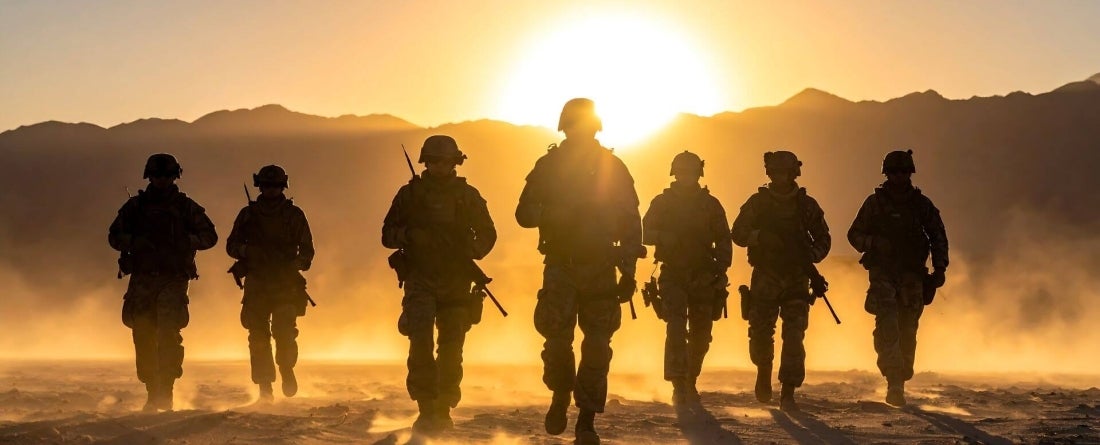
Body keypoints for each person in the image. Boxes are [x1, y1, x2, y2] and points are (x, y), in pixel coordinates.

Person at [515, 98, 645, 445]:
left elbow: (632, 223)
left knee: (598, 347)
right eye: (575, 127)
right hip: (561, 265)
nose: (581, 134)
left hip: (602, 265)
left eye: (586, 128)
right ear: (565, 128)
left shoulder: (612, 167)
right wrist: (554, 214)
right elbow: (523, 214)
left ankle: (586, 419)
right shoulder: (548, 167)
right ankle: (560, 393)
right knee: (558, 340)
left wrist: (629, 271)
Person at [382, 135, 497, 433]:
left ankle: (443, 406)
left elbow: (487, 233)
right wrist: (411, 235)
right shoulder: (410, 195)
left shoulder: (467, 196)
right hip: (420, 277)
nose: (439, 167)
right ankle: (425, 407)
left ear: (455, 162)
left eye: (444, 161)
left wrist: (470, 249)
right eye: (433, 161)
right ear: (425, 162)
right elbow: (387, 234)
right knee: (420, 340)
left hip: (456, 279)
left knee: (451, 346)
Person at [108, 153, 218, 412]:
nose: (161, 181)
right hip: (143, 277)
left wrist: (184, 241)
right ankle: (151, 389)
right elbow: (114, 236)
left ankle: (165, 390)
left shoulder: (185, 207)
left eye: (166, 176)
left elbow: (210, 236)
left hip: (173, 278)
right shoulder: (136, 207)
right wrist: (134, 242)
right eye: (157, 176)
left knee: (168, 334)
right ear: (149, 176)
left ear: (174, 177)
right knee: (143, 334)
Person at [731, 151, 831, 412]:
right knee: (761, 331)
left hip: (797, 277)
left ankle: (788, 391)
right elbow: (738, 233)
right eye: (774, 173)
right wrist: (761, 237)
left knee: (794, 335)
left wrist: (809, 256)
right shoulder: (758, 203)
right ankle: (763, 371)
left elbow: (823, 238)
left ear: (793, 174)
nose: (778, 178)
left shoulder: (806, 205)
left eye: (783, 173)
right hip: (766, 275)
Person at [847, 149, 948, 407]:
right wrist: (874, 243)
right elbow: (854, 234)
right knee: (888, 324)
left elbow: (938, 236)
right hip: (883, 273)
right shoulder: (875, 203)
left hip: (913, 275)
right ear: (887, 174)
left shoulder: (921, 205)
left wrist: (939, 269)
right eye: (894, 172)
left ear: (910, 173)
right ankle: (895, 382)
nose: (899, 177)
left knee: (908, 328)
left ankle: (901, 373)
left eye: (904, 172)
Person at [641, 151, 732, 407]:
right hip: (672, 274)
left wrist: (721, 269)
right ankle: (679, 383)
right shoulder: (662, 202)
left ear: (698, 174)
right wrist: (664, 236)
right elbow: (644, 232)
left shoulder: (711, 205)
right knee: (677, 326)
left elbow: (724, 238)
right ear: (674, 173)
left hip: (704, 274)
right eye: (681, 172)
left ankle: (691, 378)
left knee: (702, 333)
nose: (686, 177)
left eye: (690, 172)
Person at [225, 165, 315, 402]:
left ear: (283, 187)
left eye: (275, 186)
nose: (271, 190)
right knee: (257, 335)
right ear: (260, 187)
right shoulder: (248, 215)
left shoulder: (294, 215)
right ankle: (265, 386)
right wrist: (249, 251)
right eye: (267, 186)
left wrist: (293, 264)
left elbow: (307, 251)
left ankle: (286, 369)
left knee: (284, 332)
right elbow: (231, 246)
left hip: (285, 283)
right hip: (257, 282)